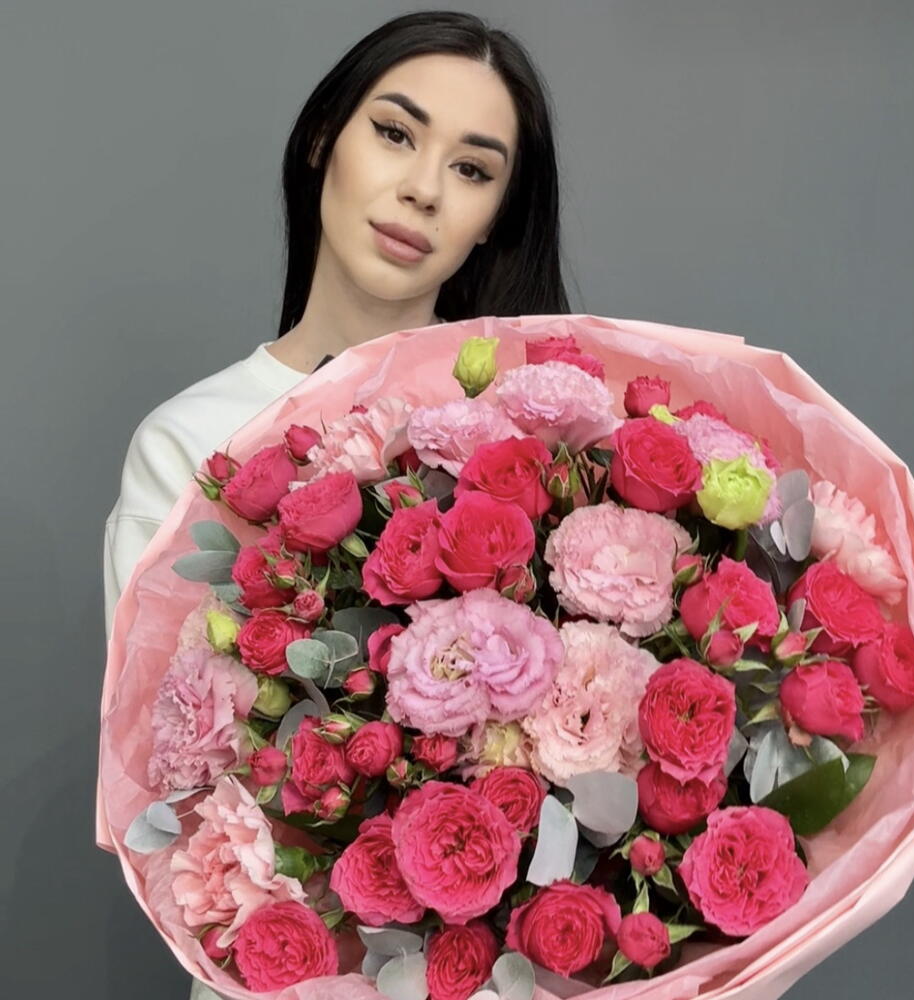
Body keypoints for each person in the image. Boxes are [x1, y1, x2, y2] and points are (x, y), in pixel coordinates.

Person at [99, 9, 571, 999]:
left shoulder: (538, 435)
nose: (423, 188)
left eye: (472, 169)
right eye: (395, 133)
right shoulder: (192, 443)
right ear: (323, 140)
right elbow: (172, 782)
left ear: (495, 215)